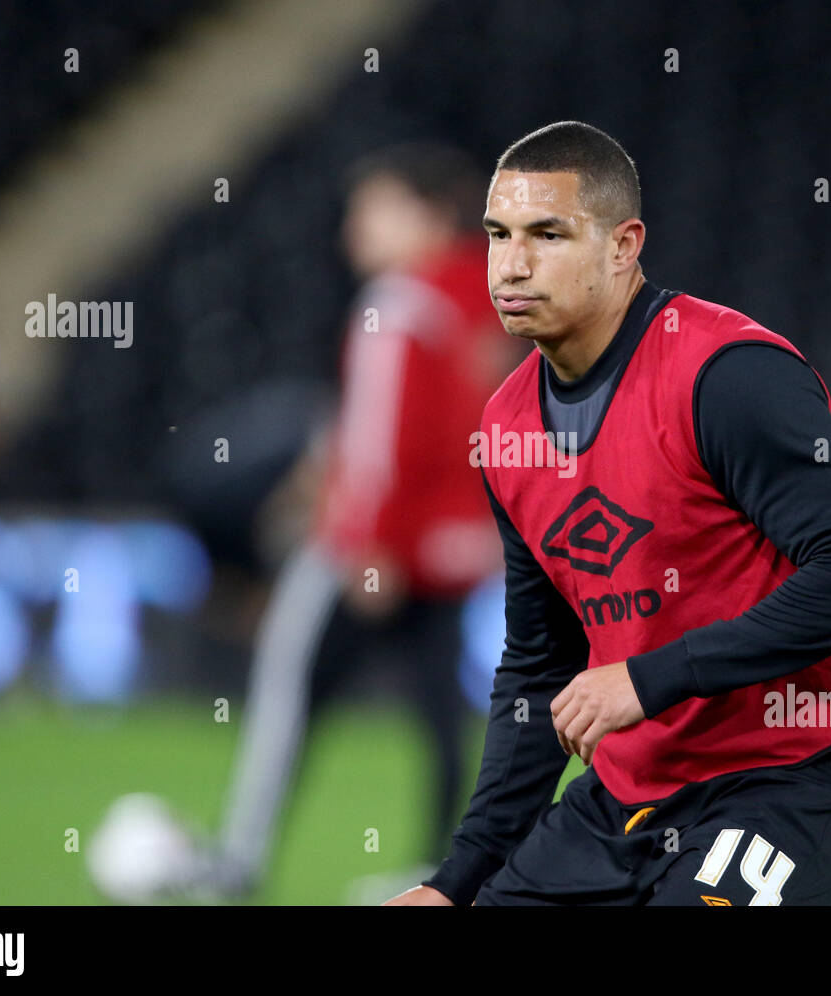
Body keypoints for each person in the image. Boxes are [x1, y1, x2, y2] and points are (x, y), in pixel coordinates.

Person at [384, 121, 831, 906]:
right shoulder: (505, 429)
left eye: (548, 234)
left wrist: (651, 677)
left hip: (791, 773)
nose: (513, 265)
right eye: (498, 234)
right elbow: (539, 670)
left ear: (624, 245)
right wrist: (454, 881)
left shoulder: (727, 376)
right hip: (630, 790)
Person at [169, 143, 516, 899]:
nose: (354, 228)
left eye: (375, 208)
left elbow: (379, 441)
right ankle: (444, 874)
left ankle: (237, 860)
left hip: (372, 552)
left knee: (289, 692)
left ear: (427, 214)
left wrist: (370, 545)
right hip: (452, 552)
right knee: (443, 716)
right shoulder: (488, 302)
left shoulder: (397, 303)